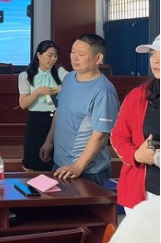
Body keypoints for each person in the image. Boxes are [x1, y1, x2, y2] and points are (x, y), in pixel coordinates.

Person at [40, 34, 119, 187]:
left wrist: (78, 166)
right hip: (61, 164)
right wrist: (49, 141)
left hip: (87, 170)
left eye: (81, 54)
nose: (74, 58)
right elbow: (60, 111)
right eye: (73, 51)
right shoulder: (69, 78)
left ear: (98, 58)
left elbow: (100, 134)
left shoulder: (103, 91)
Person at [111, 34, 160, 212]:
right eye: (153, 55)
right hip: (143, 193)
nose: (156, 61)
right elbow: (118, 136)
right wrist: (136, 155)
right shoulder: (138, 95)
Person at [18, 40, 69, 171]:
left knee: (54, 161)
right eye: (49, 55)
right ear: (39, 55)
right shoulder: (26, 75)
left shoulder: (60, 72)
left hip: (57, 119)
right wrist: (38, 92)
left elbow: (74, 85)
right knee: (32, 160)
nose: (52, 59)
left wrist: (63, 88)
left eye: (55, 56)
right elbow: (23, 104)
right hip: (36, 120)